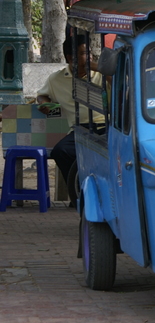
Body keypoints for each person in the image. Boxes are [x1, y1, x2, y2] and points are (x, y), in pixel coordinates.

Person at [36, 36, 106, 206]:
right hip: (80, 130)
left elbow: (122, 86)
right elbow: (42, 95)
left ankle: (103, 193)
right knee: (60, 151)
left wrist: (101, 69)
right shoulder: (56, 79)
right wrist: (45, 103)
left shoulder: (101, 75)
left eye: (89, 53)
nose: (89, 57)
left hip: (106, 126)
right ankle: (79, 193)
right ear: (70, 58)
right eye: (83, 53)